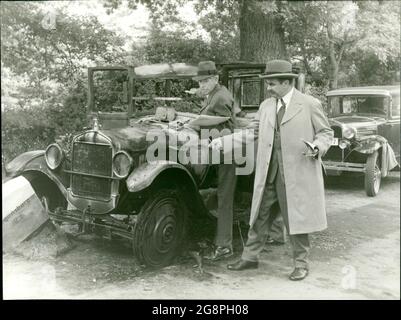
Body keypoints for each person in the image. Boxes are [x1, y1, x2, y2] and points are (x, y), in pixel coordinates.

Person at [210, 59, 333, 280]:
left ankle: (301, 264)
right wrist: (224, 142)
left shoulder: (309, 104)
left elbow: (326, 133)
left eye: (272, 84)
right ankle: (250, 258)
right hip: (269, 173)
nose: (268, 88)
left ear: (287, 82)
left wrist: (317, 147)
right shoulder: (266, 106)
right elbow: (252, 132)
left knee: (296, 220)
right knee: (259, 216)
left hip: (296, 175)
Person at [192, 60, 237, 261]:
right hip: (216, 151)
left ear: (216, 78)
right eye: (200, 82)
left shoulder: (220, 97)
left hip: (227, 152)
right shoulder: (214, 95)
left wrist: (196, 123)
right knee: (219, 196)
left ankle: (224, 246)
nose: (201, 85)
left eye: (205, 81)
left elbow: (226, 122)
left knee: (224, 199)